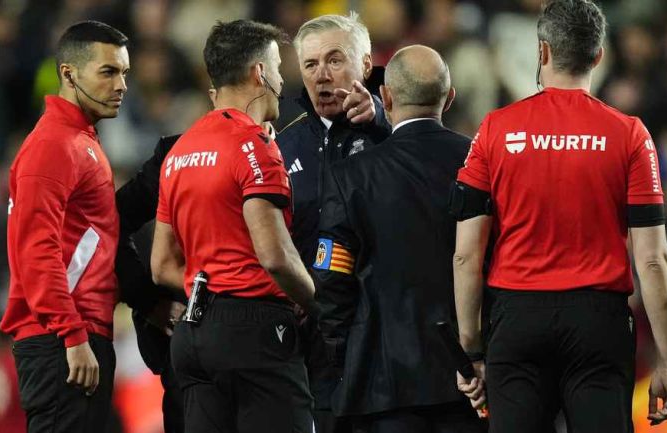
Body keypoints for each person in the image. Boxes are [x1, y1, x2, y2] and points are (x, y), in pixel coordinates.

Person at [451, 1, 667, 432]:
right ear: (598, 56)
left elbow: (466, 255)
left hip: (516, 319)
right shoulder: (630, 134)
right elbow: (653, 260)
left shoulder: (495, 129)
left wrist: (472, 351)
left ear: (542, 52)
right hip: (599, 323)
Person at [150, 20, 317, 433]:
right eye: (277, 67)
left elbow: (160, 265)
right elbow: (276, 257)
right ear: (259, 73)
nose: (281, 78)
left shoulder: (180, 151)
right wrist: (319, 303)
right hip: (254, 335)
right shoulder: (254, 146)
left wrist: (209, 291)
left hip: (193, 334)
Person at [313, 44, 486, 433]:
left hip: (382, 383)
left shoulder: (350, 176)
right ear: (450, 96)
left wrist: (344, 355)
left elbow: (331, 278)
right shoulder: (481, 162)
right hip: (471, 381)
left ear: (386, 97)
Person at [0, 20, 129, 432]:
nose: (122, 84)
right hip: (62, 338)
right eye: (108, 72)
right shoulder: (54, 145)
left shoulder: (79, 142)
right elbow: (36, 250)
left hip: (76, 333)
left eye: (124, 72)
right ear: (69, 74)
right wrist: (73, 336)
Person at [277, 13, 391, 432]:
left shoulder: (395, 131)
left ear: (365, 65)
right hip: (315, 341)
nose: (322, 76)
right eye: (310, 65)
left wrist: (381, 119)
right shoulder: (282, 145)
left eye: (335, 60)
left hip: (385, 333)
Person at [115, 133, 186, 433]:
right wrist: (147, 301)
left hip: (265, 347)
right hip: (184, 341)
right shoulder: (178, 153)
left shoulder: (287, 144)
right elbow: (110, 222)